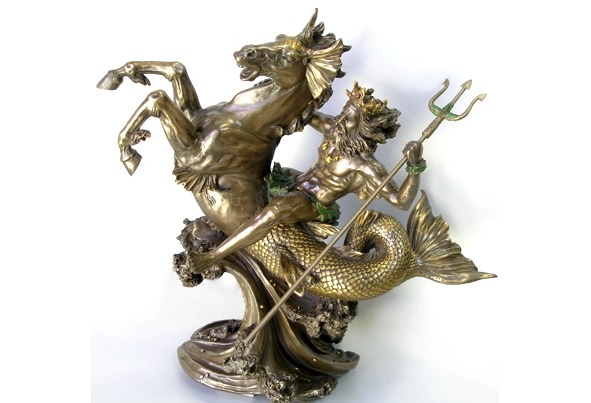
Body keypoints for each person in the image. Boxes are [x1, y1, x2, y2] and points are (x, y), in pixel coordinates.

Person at [188, 82, 426, 273]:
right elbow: (299, 110)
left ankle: (215, 255)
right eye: (344, 111)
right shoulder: (332, 128)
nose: (341, 118)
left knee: (275, 211)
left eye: (349, 117)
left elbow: (400, 201)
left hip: (313, 203)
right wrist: (283, 90)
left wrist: (414, 166)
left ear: (362, 128)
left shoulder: (365, 166)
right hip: (293, 180)